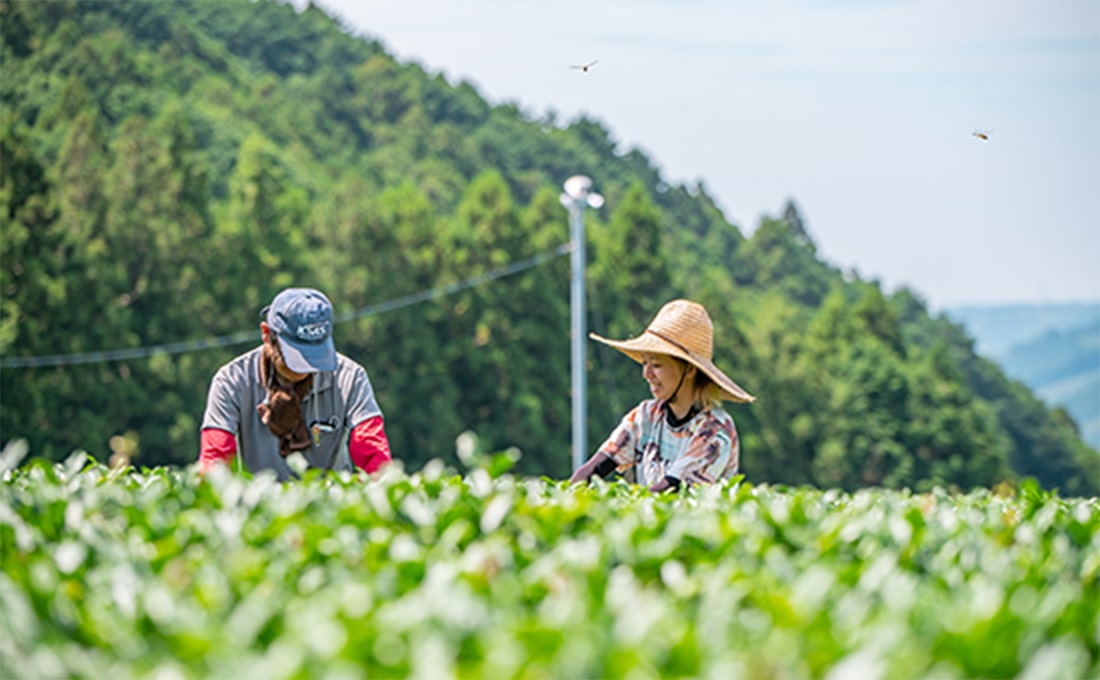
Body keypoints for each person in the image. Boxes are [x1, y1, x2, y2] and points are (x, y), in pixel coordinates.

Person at [199, 287, 392, 480]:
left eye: (314, 355)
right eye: (296, 355)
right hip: (258, 503)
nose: (305, 367)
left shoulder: (351, 377)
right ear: (267, 335)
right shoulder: (231, 381)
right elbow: (215, 459)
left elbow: (373, 452)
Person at [570, 299, 754, 492]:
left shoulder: (715, 430)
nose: (646, 374)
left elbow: (668, 490)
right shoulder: (646, 416)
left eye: (656, 365)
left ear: (689, 369)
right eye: (644, 363)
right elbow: (593, 468)